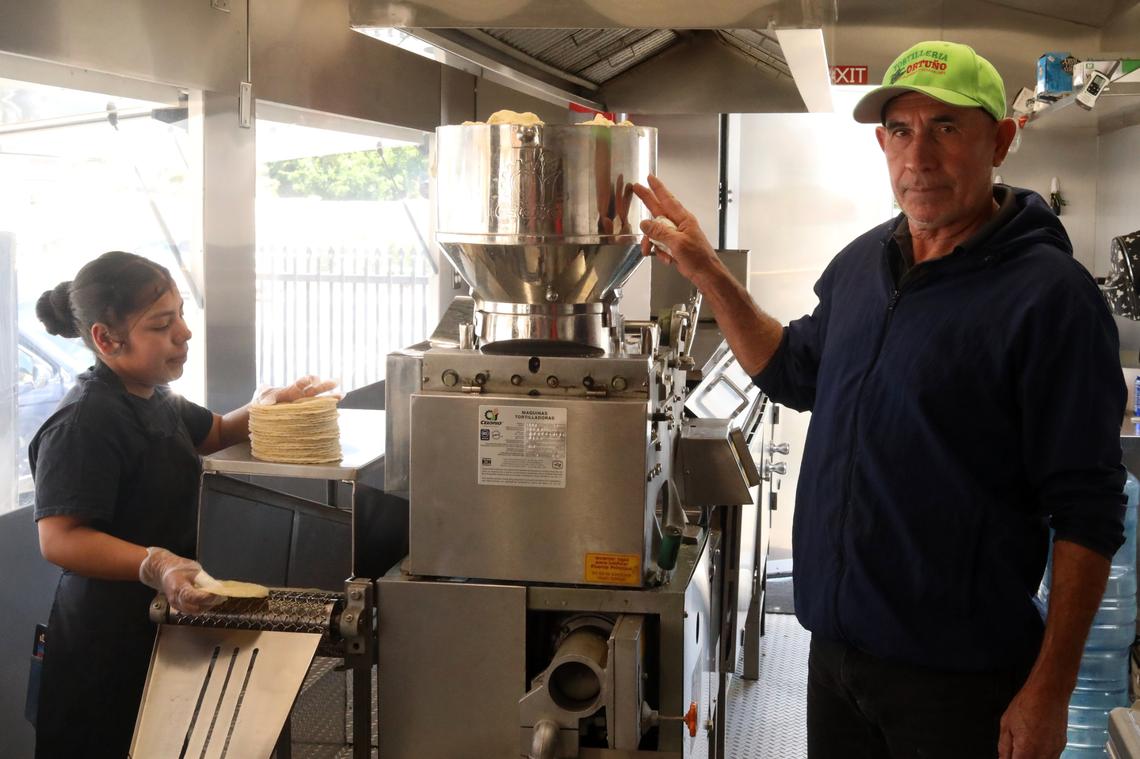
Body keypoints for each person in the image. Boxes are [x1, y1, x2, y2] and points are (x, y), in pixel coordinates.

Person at [634, 41, 1125, 759]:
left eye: (947, 128)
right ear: (881, 142)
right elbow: (796, 369)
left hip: (959, 685)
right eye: (901, 130)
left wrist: (1049, 690)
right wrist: (707, 270)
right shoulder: (865, 261)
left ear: (1003, 139)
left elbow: (1089, 509)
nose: (918, 156)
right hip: (835, 659)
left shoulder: (1053, 300)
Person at [29, 250, 335, 758]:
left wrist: (272, 406)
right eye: (162, 324)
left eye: (182, 316)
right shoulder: (85, 422)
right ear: (107, 338)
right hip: (104, 643)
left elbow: (214, 431)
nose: (185, 333)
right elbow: (59, 538)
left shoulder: (153, 395)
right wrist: (156, 562)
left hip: (161, 623)